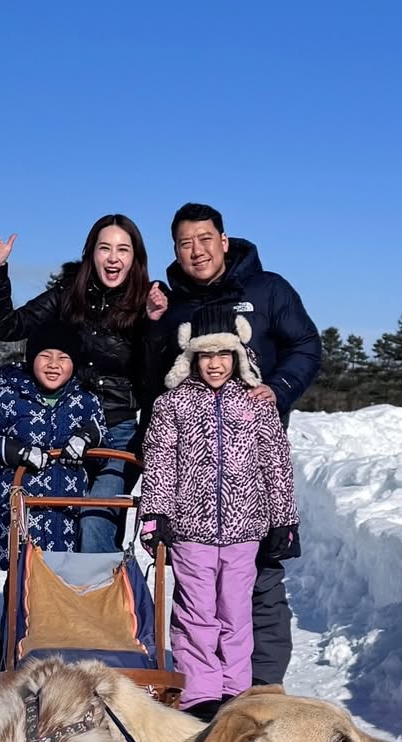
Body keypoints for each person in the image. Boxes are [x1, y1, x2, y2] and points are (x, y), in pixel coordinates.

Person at [147, 203, 321, 687]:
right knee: (199, 592)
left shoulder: (267, 290)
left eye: (205, 239)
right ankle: (203, 687)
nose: (197, 250)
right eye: (185, 243)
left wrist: (279, 388)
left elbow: (307, 345)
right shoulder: (171, 303)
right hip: (195, 476)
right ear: (176, 250)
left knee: (260, 580)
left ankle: (261, 687)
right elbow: (155, 378)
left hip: (251, 466)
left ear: (224, 240)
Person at [139, 314, 299, 722]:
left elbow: (276, 464)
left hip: (245, 530)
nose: (214, 363)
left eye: (223, 354)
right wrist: (156, 514)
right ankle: (200, 692)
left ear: (238, 355)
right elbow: (160, 463)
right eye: (205, 355)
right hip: (191, 529)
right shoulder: (172, 404)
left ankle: (235, 689)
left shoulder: (256, 403)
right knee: (196, 613)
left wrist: (283, 519)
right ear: (191, 357)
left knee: (236, 611)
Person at [0, 215, 169, 552]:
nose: (113, 257)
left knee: (96, 519)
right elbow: (8, 327)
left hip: (117, 431)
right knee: (57, 524)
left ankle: (102, 603)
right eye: (105, 248)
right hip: (65, 427)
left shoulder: (148, 303)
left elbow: (156, 377)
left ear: (135, 258)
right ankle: (51, 602)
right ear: (91, 254)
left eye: (123, 249)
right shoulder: (68, 297)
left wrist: (155, 324)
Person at [0, 319, 105, 566]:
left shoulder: (85, 400)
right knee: (20, 584)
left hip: (64, 514)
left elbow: (105, 442)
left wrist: (88, 438)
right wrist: (16, 452)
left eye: (63, 358)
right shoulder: (8, 396)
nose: (53, 365)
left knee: (58, 589)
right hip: (19, 512)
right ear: (31, 359)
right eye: (45, 356)